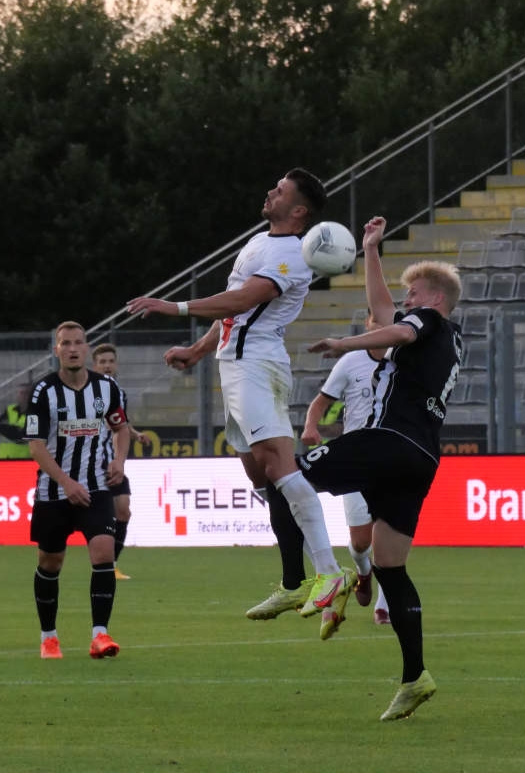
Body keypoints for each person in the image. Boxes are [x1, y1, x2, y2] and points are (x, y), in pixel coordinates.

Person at [127, 167, 352, 641]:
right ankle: (294, 582)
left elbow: (244, 300)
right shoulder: (260, 241)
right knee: (262, 478)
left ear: (299, 210)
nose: (270, 191)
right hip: (234, 364)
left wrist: (175, 307)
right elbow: (233, 312)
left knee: (280, 467)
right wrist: (197, 351)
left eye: (281, 191)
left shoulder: (292, 254)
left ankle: (331, 572)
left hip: (257, 364)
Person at [297, 215, 462, 720]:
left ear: (434, 299)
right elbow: (386, 313)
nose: (407, 299)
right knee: (390, 565)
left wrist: (343, 343)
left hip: (390, 440)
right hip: (422, 458)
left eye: (414, 293)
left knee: (289, 477)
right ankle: (415, 677)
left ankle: (315, 578)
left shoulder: (428, 321)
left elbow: (401, 326)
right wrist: (371, 249)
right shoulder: (449, 337)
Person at [25, 321, 130, 660]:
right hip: (54, 491)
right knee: (50, 561)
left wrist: (119, 461)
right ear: (56, 350)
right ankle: (49, 637)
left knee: (103, 552)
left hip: (96, 487)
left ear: (86, 348)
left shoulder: (107, 388)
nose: (72, 348)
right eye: (65, 343)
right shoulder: (43, 392)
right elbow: (36, 446)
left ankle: (100, 635)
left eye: (78, 343)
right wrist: (66, 482)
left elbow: (121, 428)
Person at [300, 313, 391, 626]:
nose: (380, 324)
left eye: (387, 319)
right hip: (357, 457)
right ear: (367, 324)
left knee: (389, 532)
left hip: (392, 456)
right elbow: (321, 402)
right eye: (375, 319)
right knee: (361, 542)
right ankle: (363, 572)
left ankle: (384, 605)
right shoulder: (351, 361)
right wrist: (311, 426)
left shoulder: (403, 359)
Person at [91, 343, 152, 580]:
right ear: (94, 365)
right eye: (102, 362)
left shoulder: (118, 392)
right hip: (89, 462)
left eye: (110, 361)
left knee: (123, 510)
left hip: (111, 462)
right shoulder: (86, 390)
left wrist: (135, 434)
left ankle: (112, 565)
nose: (107, 366)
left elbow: (119, 423)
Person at [0, 383, 33, 459]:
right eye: (21, 393)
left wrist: (10, 428)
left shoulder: (36, 413)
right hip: (5, 457)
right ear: (17, 395)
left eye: (27, 393)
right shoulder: (9, 409)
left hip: (25, 458)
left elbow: (27, 435)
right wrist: (18, 430)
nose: (24, 396)